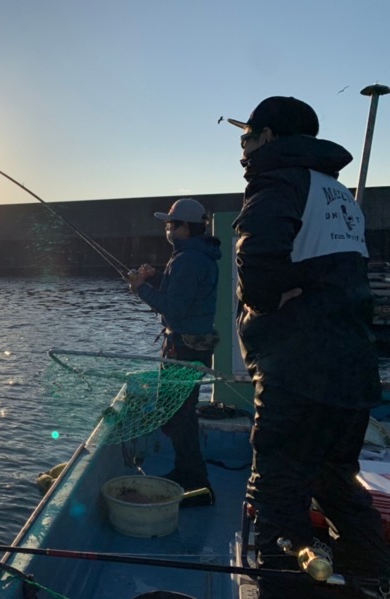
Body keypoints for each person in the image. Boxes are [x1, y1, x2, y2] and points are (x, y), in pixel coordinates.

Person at [228, 96, 390, 598]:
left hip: (297, 376)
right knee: (340, 489)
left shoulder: (278, 183)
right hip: (352, 375)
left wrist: (279, 289)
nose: (242, 150)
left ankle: (282, 587)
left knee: (277, 504)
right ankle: (371, 583)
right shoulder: (338, 194)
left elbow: (257, 278)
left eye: (247, 137)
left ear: (270, 136)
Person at [128, 197, 221, 507]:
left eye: (171, 224)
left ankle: (196, 484)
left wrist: (140, 288)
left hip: (182, 347)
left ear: (184, 227)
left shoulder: (186, 260)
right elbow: (184, 296)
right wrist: (155, 278)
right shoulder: (197, 256)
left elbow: (174, 311)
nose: (167, 229)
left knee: (178, 417)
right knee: (179, 414)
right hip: (192, 346)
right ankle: (187, 473)